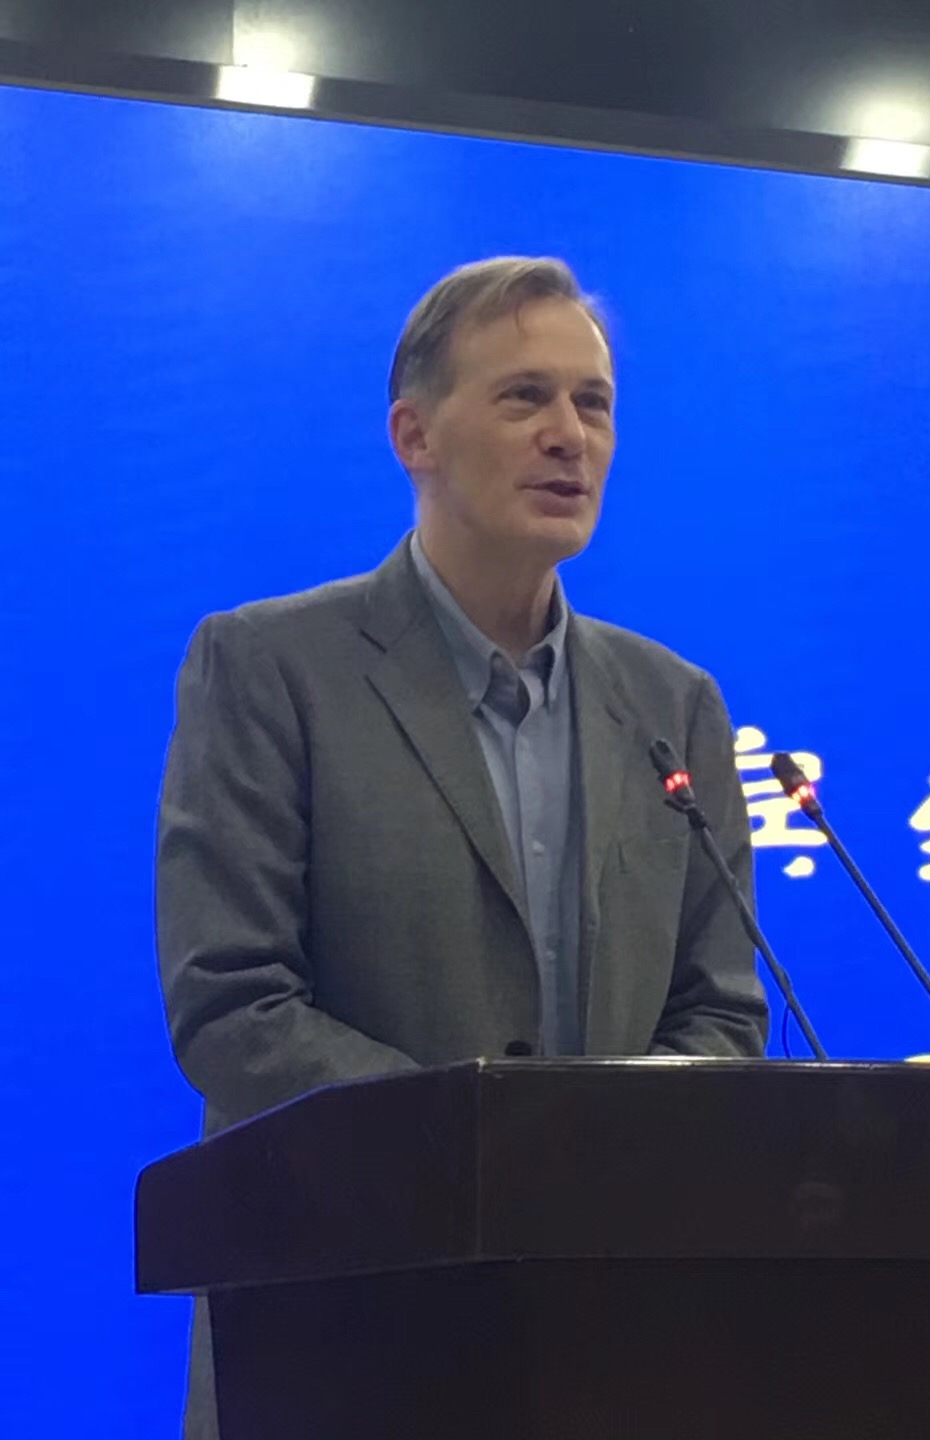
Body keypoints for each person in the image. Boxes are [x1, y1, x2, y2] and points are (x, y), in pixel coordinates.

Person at [156, 255, 768, 1438]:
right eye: (524, 396)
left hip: (608, 1338)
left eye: (593, 403)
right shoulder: (272, 668)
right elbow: (232, 1006)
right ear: (414, 436)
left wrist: (603, 1158)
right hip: (336, 1331)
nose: (569, 435)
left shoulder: (672, 703)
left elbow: (720, 1011)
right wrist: (488, 1151)